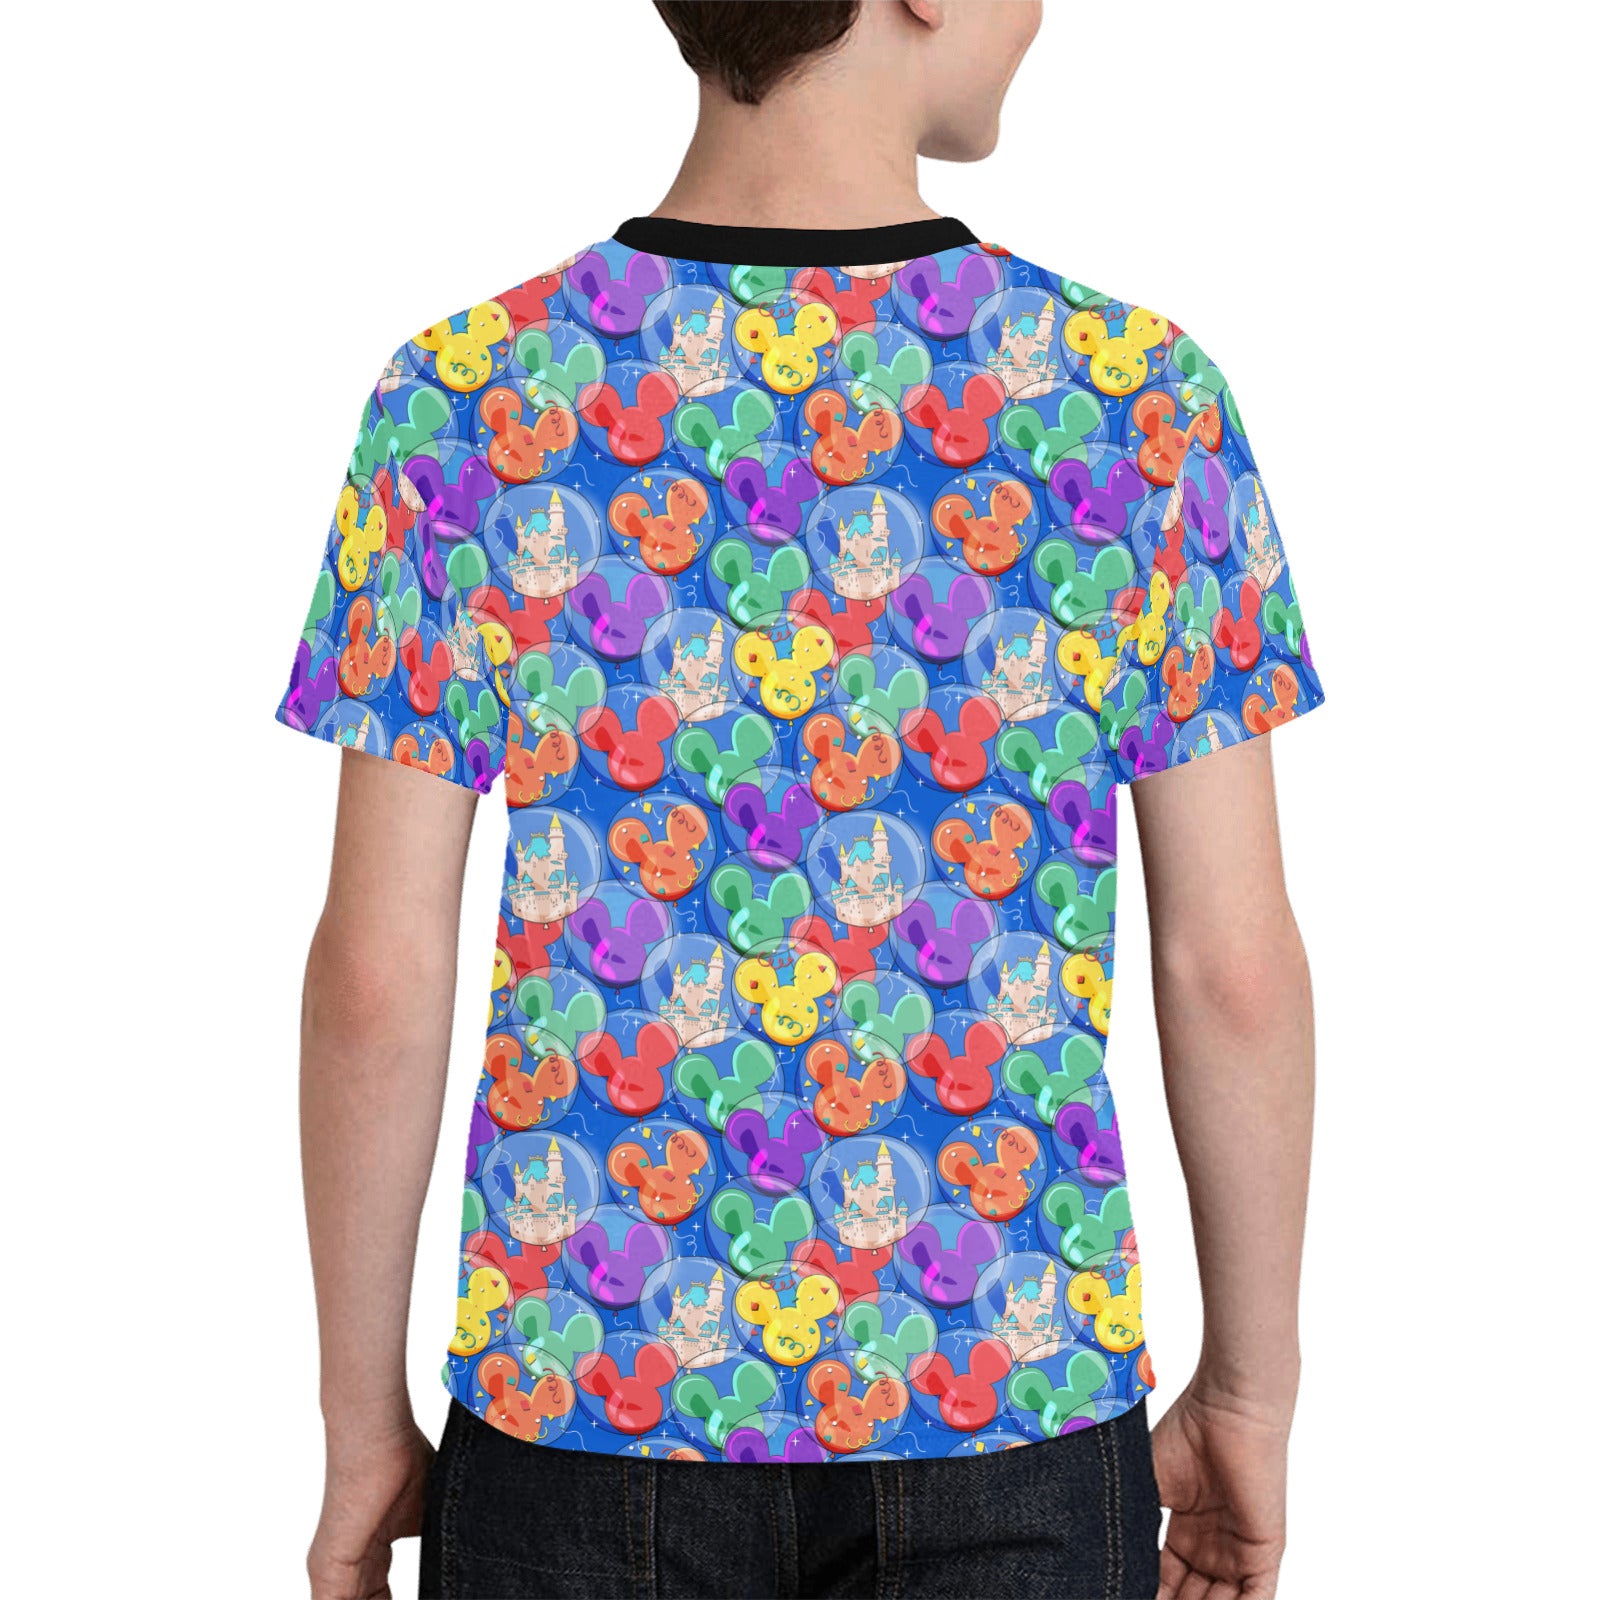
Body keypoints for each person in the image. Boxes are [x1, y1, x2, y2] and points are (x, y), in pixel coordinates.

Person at [277, 4, 1323, 1596]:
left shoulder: (464, 398)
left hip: (578, 1418)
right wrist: (1247, 1392)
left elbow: (378, 974)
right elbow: (1230, 968)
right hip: (1013, 1415)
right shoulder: (1138, 400)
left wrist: (364, 1428)